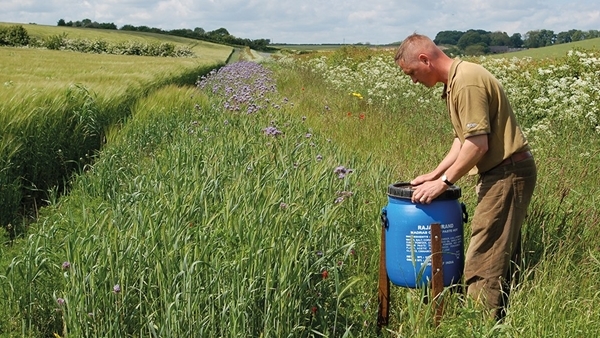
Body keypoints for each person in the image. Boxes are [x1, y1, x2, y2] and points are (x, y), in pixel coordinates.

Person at [394, 33, 537, 320]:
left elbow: (477, 145)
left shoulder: (467, 82)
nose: (413, 80)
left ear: (425, 59)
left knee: (484, 254)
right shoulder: (455, 82)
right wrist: (434, 173)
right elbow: (462, 140)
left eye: (412, 73)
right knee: (499, 249)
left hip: (507, 172)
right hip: (500, 171)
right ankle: (505, 314)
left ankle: (477, 323)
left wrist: (444, 184)